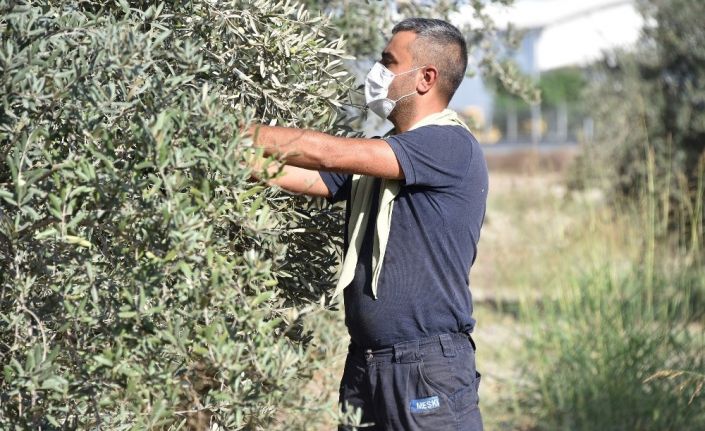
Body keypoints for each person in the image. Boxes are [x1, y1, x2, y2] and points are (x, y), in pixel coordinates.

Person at [247, 17, 487, 431]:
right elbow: (306, 177)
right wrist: (219, 152)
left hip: (426, 366)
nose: (376, 74)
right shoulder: (384, 154)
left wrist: (239, 133)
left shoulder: (448, 144)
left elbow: (324, 155)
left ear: (426, 77)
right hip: (367, 362)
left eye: (388, 62)